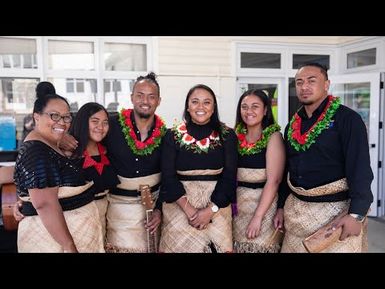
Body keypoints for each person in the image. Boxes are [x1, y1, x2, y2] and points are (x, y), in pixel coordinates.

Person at [60, 72, 166, 253]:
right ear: (132, 97)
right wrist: (64, 138)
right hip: (117, 208)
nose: (145, 101)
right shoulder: (111, 125)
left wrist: (159, 209)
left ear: (158, 101)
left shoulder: (166, 134)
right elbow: (87, 134)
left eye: (151, 96)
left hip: (153, 208)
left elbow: (170, 174)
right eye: (140, 95)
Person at [274, 63, 373, 253]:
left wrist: (356, 214)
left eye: (312, 81)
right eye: (299, 82)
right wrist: (280, 207)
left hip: (336, 214)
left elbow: (360, 169)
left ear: (327, 84)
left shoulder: (348, 120)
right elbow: (288, 169)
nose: (304, 87)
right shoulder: (292, 125)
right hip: (296, 214)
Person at [13, 92, 104, 252]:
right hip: (55, 243)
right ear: (36, 117)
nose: (62, 122)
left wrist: (23, 200)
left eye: (66, 117)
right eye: (54, 115)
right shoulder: (37, 150)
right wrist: (69, 246)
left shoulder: (50, 144)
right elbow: (44, 204)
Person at [159, 84, 238, 253]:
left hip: (217, 211)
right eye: (195, 102)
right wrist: (189, 210)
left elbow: (230, 176)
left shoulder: (227, 135)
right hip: (179, 209)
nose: (200, 107)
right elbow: (168, 176)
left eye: (207, 102)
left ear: (213, 107)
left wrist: (211, 210)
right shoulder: (172, 135)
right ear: (188, 106)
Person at [232, 89, 285, 253]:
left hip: (263, 206)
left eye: (255, 106)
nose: (249, 111)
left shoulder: (273, 137)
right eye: (244, 106)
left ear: (265, 110)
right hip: (238, 207)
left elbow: (274, 181)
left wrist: (257, 217)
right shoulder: (234, 136)